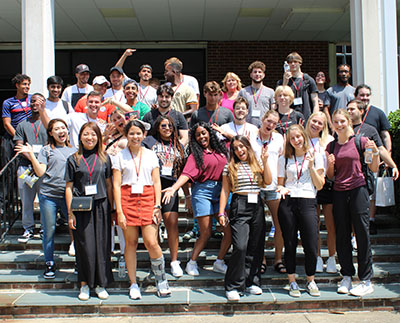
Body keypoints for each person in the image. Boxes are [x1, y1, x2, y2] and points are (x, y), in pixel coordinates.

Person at [162, 122, 231, 276]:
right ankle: (192, 262)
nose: (201, 137)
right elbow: (186, 174)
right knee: (206, 231)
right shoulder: (196, 155)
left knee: (229, 230)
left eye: (204, 133)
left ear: (210, 134)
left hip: (221, 192)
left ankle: (219, 261)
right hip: (202, 192)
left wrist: (224, 132)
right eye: (198, 135)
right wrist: (174, 188)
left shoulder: (222, 150)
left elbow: (240, 141)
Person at [112, 120, 171, 299]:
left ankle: (161, 279)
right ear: (126, 135)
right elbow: (115, 185)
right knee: (130, 244)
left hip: (147, 199)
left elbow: (156, 182)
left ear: (144, 135)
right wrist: (119, 211)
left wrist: (157, 205)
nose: (135, 137)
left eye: (138, 133)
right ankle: (133, 283)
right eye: (131, 133)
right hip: (127, 198)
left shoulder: (151, 155)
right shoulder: (119, 156)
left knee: (151, 242)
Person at [326, 109, 379, 297]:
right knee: (342, 235)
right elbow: (330, 175)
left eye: (342, 121)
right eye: (336, 122)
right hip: (339, 193)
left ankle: (366, 280)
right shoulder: (331, 147)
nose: (339, 125)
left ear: (348, 121)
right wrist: (330, 164)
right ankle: (347, 275)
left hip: (359, 190)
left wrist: (373, 152)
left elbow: (373, 167)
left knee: (362, 234)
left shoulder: (361, 142)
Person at [14, 118, 76, 278]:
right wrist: (31, 156)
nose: (61, 131)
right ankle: (49, 263)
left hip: (68, 196)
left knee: (75, 227)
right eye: (57, 129)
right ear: (50, 133)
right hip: (49, 195)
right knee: (49, 231)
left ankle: (79, 261)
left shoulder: (75, 150)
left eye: (63, 128)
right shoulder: (46, 150)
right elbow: (40, 172)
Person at [218, 135, 272, 301]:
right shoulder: (230, 167)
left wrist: (266, 161)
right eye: (236, 148)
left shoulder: (257, 163)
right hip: (239, 204)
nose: (240, 150)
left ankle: (251, 282)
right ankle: (233, 285)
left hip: (257, 205)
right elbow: (225, 191)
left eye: (242, 146)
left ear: (247, 147)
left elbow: (268, 182)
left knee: (255, 246)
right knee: (240, 246)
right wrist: (221, 212)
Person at [65, 122, 113, 301]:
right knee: (85, 247)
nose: (89, 138)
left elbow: (108, 184)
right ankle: (84, 284)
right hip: (81, 208)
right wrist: (70, 213)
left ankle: (101, 284)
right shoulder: (73, 159)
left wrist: (112, 208)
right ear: (80, 137)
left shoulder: (104, 158)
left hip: (101, 206)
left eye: (93, 134)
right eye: (86, 134)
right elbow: (68, 187)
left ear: (98, 137)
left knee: (102, 246)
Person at [276, 124, 325, 297]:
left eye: (298, 136)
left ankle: (310, 279)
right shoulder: (284, 158)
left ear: (304, 136)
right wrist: (280, 188)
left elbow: (319, 185)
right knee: (289, 243)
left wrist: (311, 166)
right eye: (292, 138)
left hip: (308, 200)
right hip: (288, 202)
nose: (296, 140)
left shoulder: (316, 156)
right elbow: (280, 182)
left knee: (311, 244)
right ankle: (292, 281)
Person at [142, 116, 187, 277]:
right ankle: (157, 260)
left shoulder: (179, 146)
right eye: (163, 125)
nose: (167, 128)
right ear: (157, 127)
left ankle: (174, 261)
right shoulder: (149, 142)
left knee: (172, 221)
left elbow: (183, 170)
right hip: (152, 186)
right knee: (154, 223)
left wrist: (186, 195)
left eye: (170, 126)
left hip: (170, 188)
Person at [354, 85, 393, 235]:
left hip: (373, 159)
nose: (364, 98)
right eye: (361, 95)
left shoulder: (377, 113)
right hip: (354, 161)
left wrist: (388, 153)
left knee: (372, 192)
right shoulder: (350, 111)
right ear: (356, 95)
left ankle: (370, 220)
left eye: (367, 95)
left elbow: (385, 134)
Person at [253, 110, 285, 274]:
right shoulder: (251, 136)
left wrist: (281, 184)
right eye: (268, 121)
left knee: (278, 224)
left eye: (274, 123)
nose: (270, 125)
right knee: (258, 226)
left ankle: (278, 259)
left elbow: (282, 162)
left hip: (273, 187)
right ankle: (262, 259)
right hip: (255, 187)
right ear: (262, 120)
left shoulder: (279, 139)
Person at [305, 112, 337, 273]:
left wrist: (330, 163)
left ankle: (331, 257)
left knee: (331, 224)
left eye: (320, 123)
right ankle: (317, 257)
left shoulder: (329, 141)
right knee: (313, 225)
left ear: (324, 126)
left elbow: (331, 171)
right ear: (308, 121)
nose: (316, 125)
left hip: (326, 184)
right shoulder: (301, 140)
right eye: (314, 121)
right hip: (308, 185)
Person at [14, 93, 48, 243]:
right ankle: (28, 228)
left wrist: (38, 162)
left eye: (39, 102)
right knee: (26, 200)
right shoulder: (22, 124)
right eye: (33, 101)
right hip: (26, 167)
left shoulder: (48, 123)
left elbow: (51, 144)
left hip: (43, 167)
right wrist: (32, 159)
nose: (35, 104)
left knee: (44, 199)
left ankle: (44, 228)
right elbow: (19, 145)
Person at [38, 91, 107, 148]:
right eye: (91, 102)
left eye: (96, 102)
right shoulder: (74, 117)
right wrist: (42, 111)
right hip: (75, 157)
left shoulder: (102, 124)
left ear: (101, 104)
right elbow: (51, 127)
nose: (93, 104)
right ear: (86, 103)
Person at [1, 74, 32, 168]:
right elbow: (6, 124)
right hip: (13, 137)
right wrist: (18, 137)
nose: (27, 87)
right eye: (24, 84)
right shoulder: (8, 102)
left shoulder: (33, 99)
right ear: (17, 85)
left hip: (30, 136)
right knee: (10, 165)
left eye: (28, 84)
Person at [278, 52, 319, 121]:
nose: (293, 64)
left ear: (300, 63)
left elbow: (315, 101)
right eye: (290, 62)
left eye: (295, 62)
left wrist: (314, 117)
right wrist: (285, 82)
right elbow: (279, 99)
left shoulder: (308, 80)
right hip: (289, 118)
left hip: (306, 117)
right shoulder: (282, 81)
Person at [238, 61, 275, 128]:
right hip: (246, 127)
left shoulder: (270, 92)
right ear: (251, 75)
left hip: (264, 127)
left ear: (264, 75)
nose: (257, 74)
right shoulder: (243, 92)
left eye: (260, 72)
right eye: (255, 72)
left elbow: (273, 111)